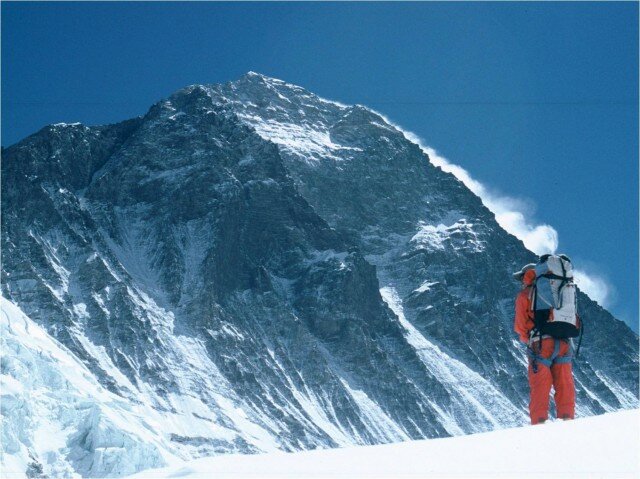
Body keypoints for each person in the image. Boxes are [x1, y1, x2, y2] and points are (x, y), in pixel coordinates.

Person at [513, 263, 576, 425]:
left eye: (522, 278)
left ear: (527, 276)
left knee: (540, 386)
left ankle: (540, 423)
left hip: (540, 344)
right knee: (565, 384)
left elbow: (520, 326)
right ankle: (568, 419)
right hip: (564, 343)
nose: (521, 281)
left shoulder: (524, 295)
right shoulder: (559, 290)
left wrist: (528, 340)